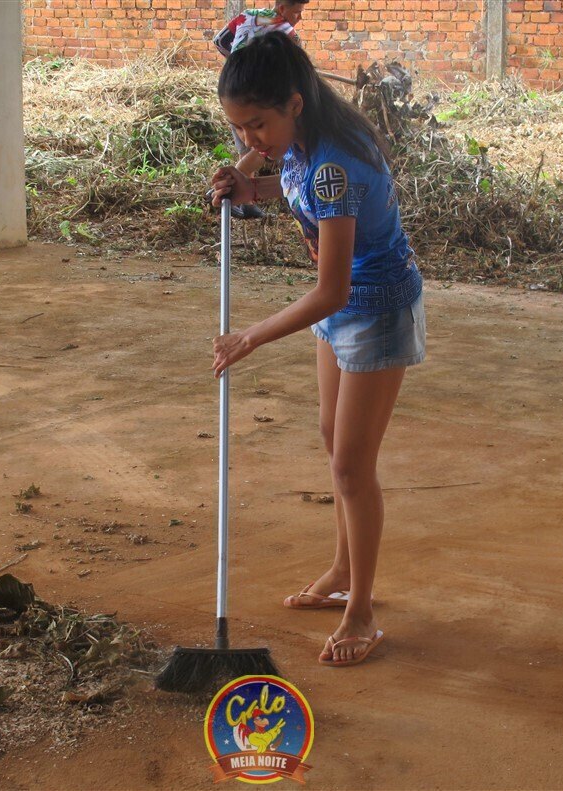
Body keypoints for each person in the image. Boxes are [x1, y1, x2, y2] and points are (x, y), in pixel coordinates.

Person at [208, 32, 425, 668]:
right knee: (335, 442)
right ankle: (340, 568)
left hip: (374, 312)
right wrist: (249, 182)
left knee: (352, 468)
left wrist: (250, 335)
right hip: (349, 312)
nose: (251, 140)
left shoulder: (333, 164)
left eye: (257, 126)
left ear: (295, 103)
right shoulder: (306, 141)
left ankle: (362, 609)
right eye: (239, 128)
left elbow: (330, 290)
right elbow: (292, 181)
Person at [212, 1, 310, 220]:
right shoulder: (289, 35)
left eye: (257, 125)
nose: (299, 18)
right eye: (297, 12)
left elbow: (219, 40)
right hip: (260, 96)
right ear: (283, 9)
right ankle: (245, 201)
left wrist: (238, 66)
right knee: (258, 149)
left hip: (236, 89)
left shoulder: (250, 16)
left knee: (253, 150)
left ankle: (247, 201)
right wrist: (250, 188)